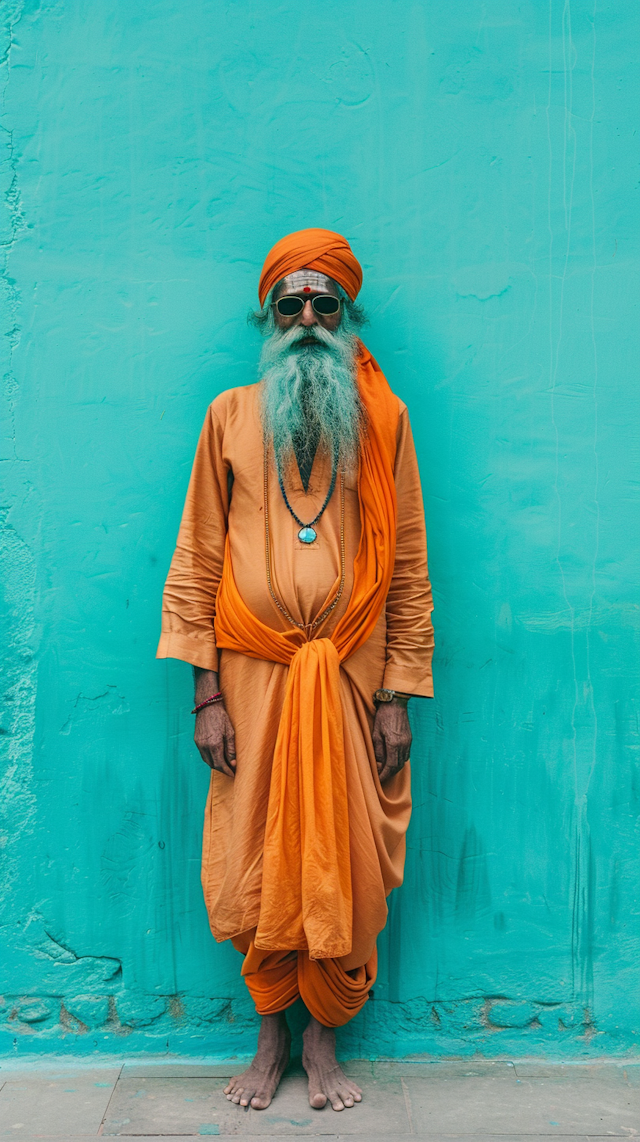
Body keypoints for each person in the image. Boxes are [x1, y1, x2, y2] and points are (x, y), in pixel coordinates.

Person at [157, 228, 434, 1112]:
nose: (311, 318)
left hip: (353, 681)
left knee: (340, 854)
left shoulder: (383, 420)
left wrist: (394, 693)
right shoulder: (229, 417)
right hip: (248, 676)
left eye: (327, 305)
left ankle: (321, 1041)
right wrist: (205, 694)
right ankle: (269, 1032)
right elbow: (198, 556)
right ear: (267, 319)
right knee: (258, 851)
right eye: (294, 304)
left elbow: (410, 567)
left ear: (348, 319)